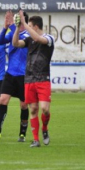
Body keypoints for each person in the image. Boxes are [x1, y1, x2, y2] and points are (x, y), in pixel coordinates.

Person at [0, 10, 30, 142]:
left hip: (23, 75)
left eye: (17, 19)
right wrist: (5, 27)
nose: (15, 21)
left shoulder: (28, 35)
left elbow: (19, 41)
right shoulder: (12, 33)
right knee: (3, 100)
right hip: (10, 74)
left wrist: (12, 26)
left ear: (23, 20)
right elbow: (0, 41)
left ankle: (22, 133)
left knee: (23, 105)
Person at [11, 10, 55, 148]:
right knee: (33, 109)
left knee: (45, 109)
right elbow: (15, 44)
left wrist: (24, 23)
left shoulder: (49, 38)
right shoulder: (28, 39)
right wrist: (18, 28)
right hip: (29, 78)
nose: (27, 28)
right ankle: (36, 140)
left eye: (29, 26)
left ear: (35, 27)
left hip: (43, 78)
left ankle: (45, 129)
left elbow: (38, 39)